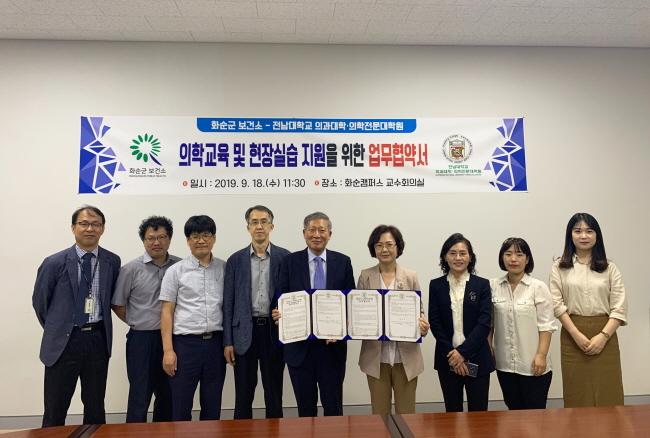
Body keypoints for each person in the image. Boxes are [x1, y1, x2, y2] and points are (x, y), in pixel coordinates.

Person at [32, 206, 121, 427]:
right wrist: (59, 328)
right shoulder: (54, 263)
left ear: (102, 228)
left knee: (95, 406)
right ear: (73, 227)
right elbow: (40, 303)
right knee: (55, 407)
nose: (90, 228)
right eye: (84, 223)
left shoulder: (112, 261)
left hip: (97, 340)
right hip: (64, 342)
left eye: (96, 224)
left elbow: (111, 297)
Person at [273, 211, 355, 417]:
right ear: (304, 233)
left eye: (322, 230)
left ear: (330, 234)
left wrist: (342, 327)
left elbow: (350, 303)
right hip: (299, 349)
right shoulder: (289, 262)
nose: (316, 234)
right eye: (312, 230)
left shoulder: (343, 262)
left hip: (332, 349)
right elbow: (280, 297)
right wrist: (278, 313)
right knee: (305, 411)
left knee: (333, 409)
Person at [550, 213, 627, 407]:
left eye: (589, 231)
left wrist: (603, 336)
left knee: (609, 391)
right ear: (570, 235)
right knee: (576, 392)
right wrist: (576, 334)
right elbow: (556, 304)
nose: (583, 236)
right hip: (572, 334)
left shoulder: (610, 268)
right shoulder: (559, 267)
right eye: (578, 231)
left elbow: (619, 307)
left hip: (606, 333)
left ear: (596, 235)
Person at [223, 205, 290, 419]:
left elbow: (292, 296)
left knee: (274, 392)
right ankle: (241, 432)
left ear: (272, 226)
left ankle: (275, 431)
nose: (259, 226)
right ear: (248, 227)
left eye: (263, 221)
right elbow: (228, 303)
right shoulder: (235, 260)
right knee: (243, 394)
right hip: (244, 332)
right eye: (254, 222)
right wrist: (227, 342)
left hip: (273, 332)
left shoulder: (285, 257)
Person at [111, 216, 180, 423]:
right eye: (151, 238)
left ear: (169, 239)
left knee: (169, 394)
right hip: (142, 340)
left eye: (162, 237)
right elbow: (118, 304)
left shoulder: (180, 266)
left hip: (173, 339)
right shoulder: (130, 269)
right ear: (143, 240)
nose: (156, 242)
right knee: (139, 395)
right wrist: (137, 321)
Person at [159, 215, 227, 421]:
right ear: (188, 240)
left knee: (212, 404)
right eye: (195, 236)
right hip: (185, 346)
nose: (201, 240)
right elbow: (166, 311)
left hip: (216, 344)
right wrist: (168, 351)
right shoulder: (175, 271)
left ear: (214, 238)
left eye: (206, 235)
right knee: (180, 405)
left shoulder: (224, 268)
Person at [357, 225, 430, 415]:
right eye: (379, 245)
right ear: (373, 248)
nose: (384, 249)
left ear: (398, 247)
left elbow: (420, 311)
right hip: (376, 357)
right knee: (380, 414)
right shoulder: (365, 276)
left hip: (405, 357)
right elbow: (358, 312)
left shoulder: (410, 276)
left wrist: (423, 327)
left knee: (406, 414)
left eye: (389, 244)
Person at [428, 233, 493, 412]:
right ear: (445, 256)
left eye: (463, 253)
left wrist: (462, 353)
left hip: (478, 359)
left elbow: (484, 323)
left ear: (470, 257)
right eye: (452, 253)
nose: (458, 258)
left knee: (479, 415)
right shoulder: (436, 285)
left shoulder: (482, 285)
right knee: (452, 412)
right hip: (447, 359)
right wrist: (453, 356)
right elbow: (435, 322)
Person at [490, 237, 555, 410]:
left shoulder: (538, 287)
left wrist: (541, 355)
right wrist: (489, 349)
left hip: (532, 364)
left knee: (535, 414)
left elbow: (546, 326)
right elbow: (490, 324)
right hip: (505, 364)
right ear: (502, 258)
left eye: (519, 254)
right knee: (513, 411)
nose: (513, 259)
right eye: (508, 254)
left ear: (527, 259)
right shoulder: (493, 286)